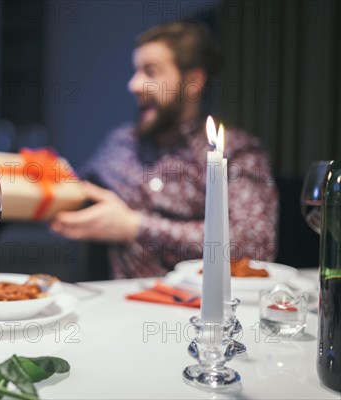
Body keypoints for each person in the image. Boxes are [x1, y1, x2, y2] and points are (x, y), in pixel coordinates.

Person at [51, 21, 279, 279]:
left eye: (151, 72)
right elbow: (69, 192)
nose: (134, 85)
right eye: (136, 71)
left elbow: (257, 245)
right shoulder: (120, 143)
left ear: (193, 81)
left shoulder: (237, 152)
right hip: (114, 303)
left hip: (195, 308)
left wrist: (134, 227)